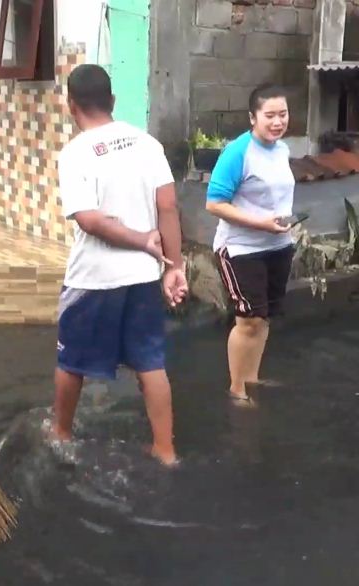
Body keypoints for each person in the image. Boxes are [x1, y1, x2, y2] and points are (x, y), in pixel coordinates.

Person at [49, 64, 188, 467]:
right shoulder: (148, 144)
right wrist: (173, 266)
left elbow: (89, 220)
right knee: (150, 362)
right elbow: (168, 207)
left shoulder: (75, 153)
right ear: (112, 100)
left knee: (71, 360)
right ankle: (165, 450)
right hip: (143, 277)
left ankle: (60, 432)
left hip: (94, 279)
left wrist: (142, 240)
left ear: (71, 106)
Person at [205, 85, 295, 406]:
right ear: (252, 117)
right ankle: (236, 388)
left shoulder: (282, 149)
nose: (277, 121)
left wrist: (285, 225)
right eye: (269, 115)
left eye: (282, 114)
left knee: (264, 316)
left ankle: (252, 377)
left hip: (278, 244)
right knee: (248, 319)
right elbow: (214, 203)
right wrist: (262, 224)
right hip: (241, 248)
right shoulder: (238, 151)